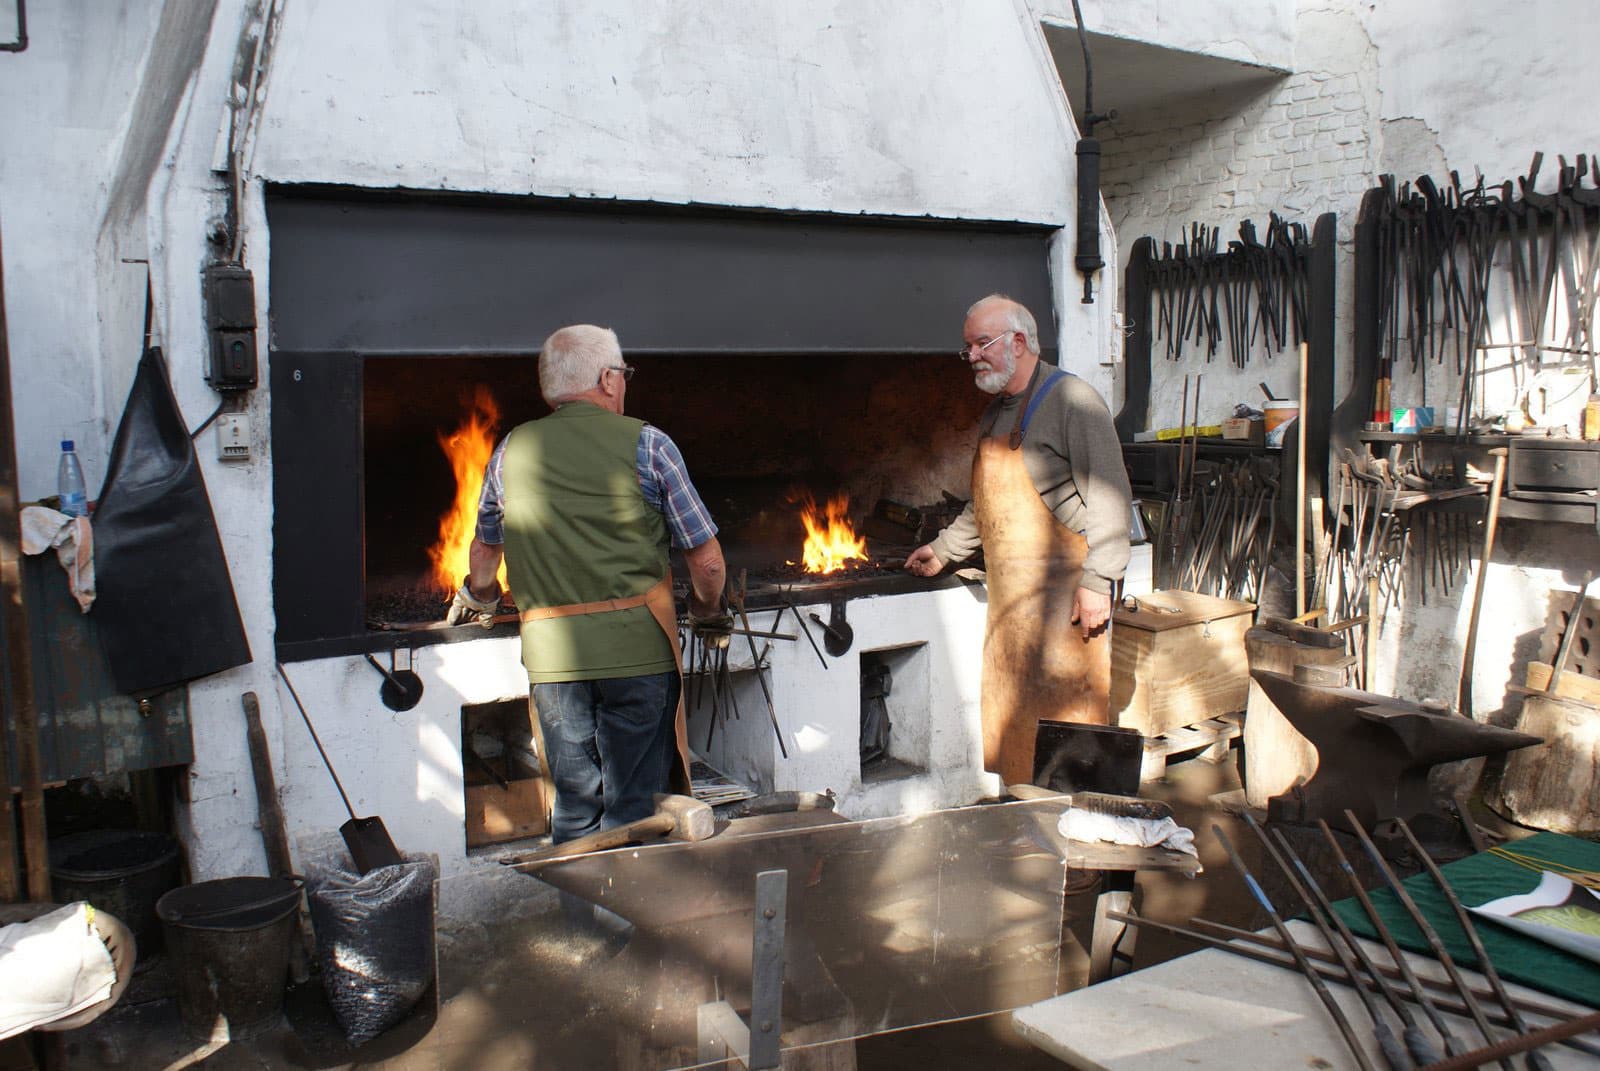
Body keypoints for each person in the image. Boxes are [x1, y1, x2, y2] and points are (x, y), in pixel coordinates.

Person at [445, 324, 728, 848]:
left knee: (574, 805)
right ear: (606, 379)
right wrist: (709, 612)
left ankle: (582, 927)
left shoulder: (510, 450)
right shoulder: (649, 444)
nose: (624, 382)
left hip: (554, 664)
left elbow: (484, 553)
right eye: (623, 373)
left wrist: (480, 597)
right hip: (639, 657)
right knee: (636, 807)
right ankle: (632, 926)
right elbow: (706, 564)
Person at [905, 294, 1132, 786]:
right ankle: (1026, 823)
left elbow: (1112, 498)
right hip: (1013, 609)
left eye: (980, 344)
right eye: (967, 348)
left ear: (1020, 341)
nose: (972, 357)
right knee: (1017, 734)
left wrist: (1100, 580)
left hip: (1066, 602)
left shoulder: (1074, 402)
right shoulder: (997, 414)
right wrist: (943, 549)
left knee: (1068, 725)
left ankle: (1071, 829)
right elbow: (982, 505)